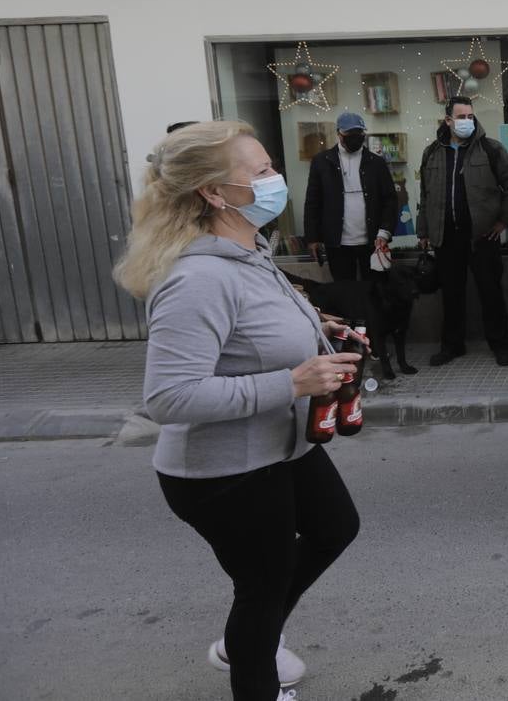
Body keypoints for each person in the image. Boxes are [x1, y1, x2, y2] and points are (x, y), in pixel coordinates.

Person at [114, 121, 361, 701]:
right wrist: (292, 381)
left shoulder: (249, 249)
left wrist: (316, 327)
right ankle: (254, 665)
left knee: (335, 527)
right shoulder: (197, 277)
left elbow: (252, 327)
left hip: (281, 447)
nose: (277, 180)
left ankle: (254, 634)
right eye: (262, 172)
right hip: (223, 471)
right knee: (261, 587)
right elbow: (169, 398)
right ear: (214, 193)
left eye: (272, 166)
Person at [416, 96, 508, 367]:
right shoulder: (432, 153)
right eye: (461, 117)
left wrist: (503, 222)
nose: (466, 122)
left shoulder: (490, 149)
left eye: (470, 117)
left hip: (482, 236)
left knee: (491, 293)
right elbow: (425, 195)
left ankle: (501, 346)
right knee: (451, 295)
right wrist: (423, 230)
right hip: (446, 237)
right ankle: (452, 346)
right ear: (448, 120)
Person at [302, 111, 398, 282]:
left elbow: (390, 200)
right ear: (339, 133)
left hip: (374, 242)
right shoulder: (321, 162)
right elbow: (313, 202)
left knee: (377, 292)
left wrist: (384, 232)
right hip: (337, 243)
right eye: (349, 134)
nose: (355, 137)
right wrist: (312, 238)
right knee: (344, 294)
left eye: (359, 133)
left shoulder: (377, 163)